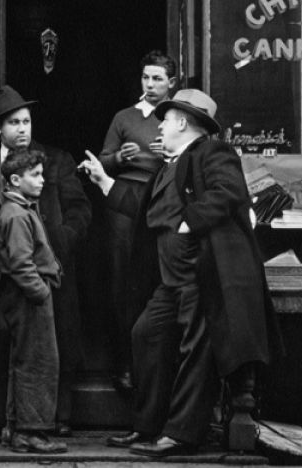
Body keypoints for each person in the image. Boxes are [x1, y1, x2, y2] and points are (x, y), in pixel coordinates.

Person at [79, 89, 283, 457]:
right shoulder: (169, 165)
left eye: (167, 119)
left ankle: (181, 434)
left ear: (184, 123)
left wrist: (191, 222)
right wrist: (104, 182)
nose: (160, 126)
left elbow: (231, 192)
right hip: (170, 281)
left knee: (195, 351)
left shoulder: (212, 152)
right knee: (146, 335)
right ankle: (147, 427)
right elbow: (144, 210)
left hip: (200, 276)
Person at [0, 85, 91, 439]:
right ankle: (4, 423)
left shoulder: (55, 159)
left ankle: (56, 418)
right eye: (14, 122)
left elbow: (81, 211)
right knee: (3, 347)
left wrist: (57, 244)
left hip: (42, 272)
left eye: (26, 121)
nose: (23, 129)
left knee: (52, 345)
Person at [97, 50, 178, 392]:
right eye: (146, 77)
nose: (150, 84)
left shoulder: (176, 118)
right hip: (122, 201)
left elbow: (192, 158)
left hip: (160, 199)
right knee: (121, 280)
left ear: (172, 83)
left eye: (157, 78)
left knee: (156, 279)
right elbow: (102, 160)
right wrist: (118, 157)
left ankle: (155, 369)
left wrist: (170, 155)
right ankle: (123, 365)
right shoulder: (125, 117)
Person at [0, 148, 68, 454]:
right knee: (38, 362)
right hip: (28, 298)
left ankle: (17, 429)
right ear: (14, 179)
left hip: (27, 296)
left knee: (26, 359)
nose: (42, 180)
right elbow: (21, 264)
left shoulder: (22, 209)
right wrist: (41, 292)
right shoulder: (15, 214)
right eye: (34, 175)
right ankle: (31, 432)